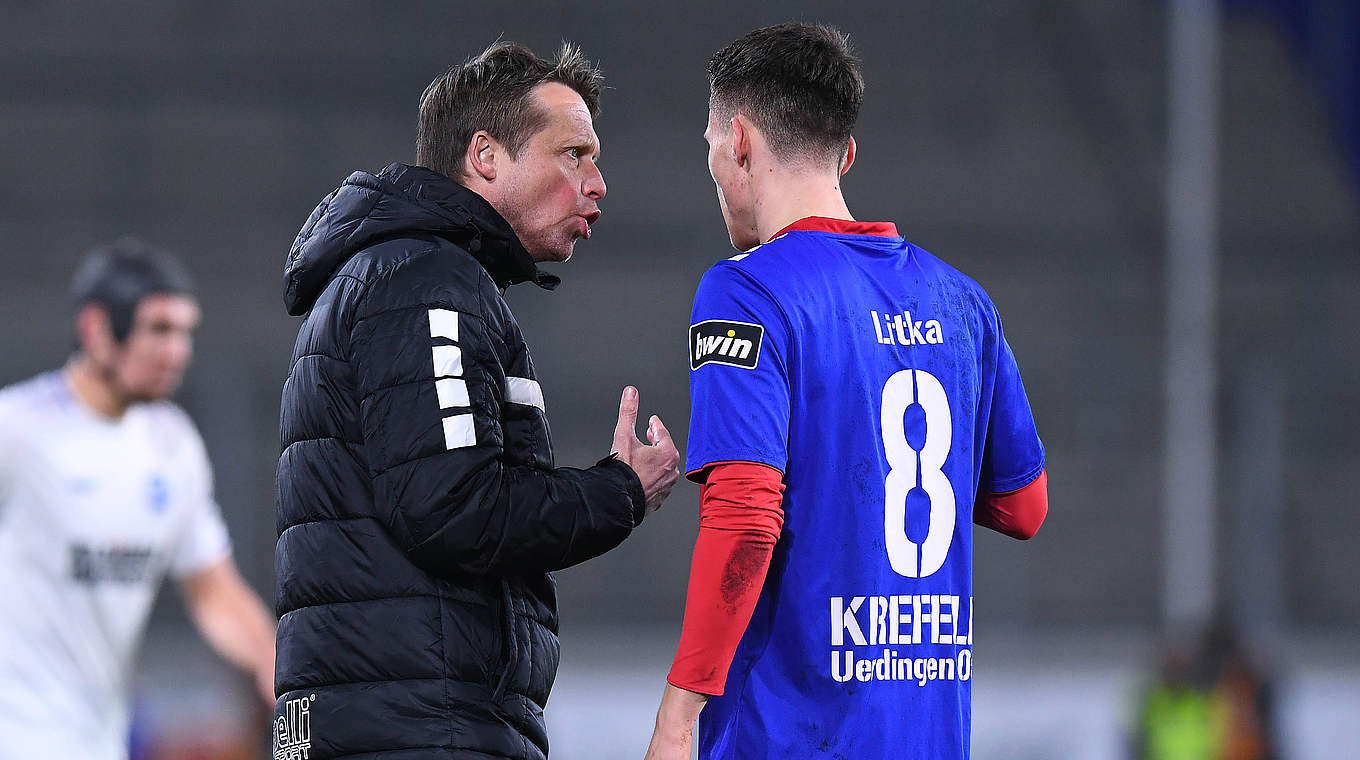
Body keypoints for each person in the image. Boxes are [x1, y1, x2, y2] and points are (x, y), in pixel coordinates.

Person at [645, 24, 1049, 760]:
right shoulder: (963, 302)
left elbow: (743, 513)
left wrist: (678, 716)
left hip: (794, 738)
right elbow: (1025, 508)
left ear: (738, 140)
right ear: (847, 154)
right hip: (927, 734)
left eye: (707, 141)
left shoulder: (746, 291)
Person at [273, 40, 680, 760]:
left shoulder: (396, 274)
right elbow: (453, 507)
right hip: (420, 726)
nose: (597, 183)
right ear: (486, 156)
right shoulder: (424, 280)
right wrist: (621, 491)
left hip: (389, 714)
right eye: (573, 154)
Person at [0, 237, 277, 760]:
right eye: (159, 330)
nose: (179, 351)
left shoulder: (171, 445)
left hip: (101, 741)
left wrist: (274, 661)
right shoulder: (17, 430)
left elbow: (214, 592)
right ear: (96, 328)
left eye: (185, 332)